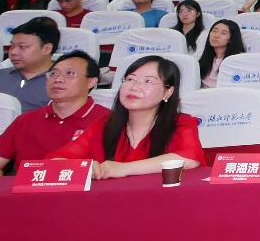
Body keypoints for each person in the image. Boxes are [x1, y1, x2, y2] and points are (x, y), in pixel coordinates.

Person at [47, 55, 203, 178]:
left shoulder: (181, 123)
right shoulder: (104, 125)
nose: (135, 87)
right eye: (130, 79)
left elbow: (190, 159)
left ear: (168, 92)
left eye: (148, 81)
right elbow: (56, 160)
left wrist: (124, 169)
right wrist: (84, 167)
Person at [0, 52, 109, 176]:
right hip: (24, 192)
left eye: (70, 73)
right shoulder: (26, 120)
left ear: (91, 82)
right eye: (53, 73)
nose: (58, 79)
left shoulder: (108, 120)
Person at [0, 18, 58, 112]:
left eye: (22, 47)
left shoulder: (62, 81)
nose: (13, 52)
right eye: (12, 46)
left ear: (47, 49)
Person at [198, 19, 245, 88]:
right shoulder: (203, 58)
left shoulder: (240, 60)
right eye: (214, 31)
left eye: (223, 33)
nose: (216, 36)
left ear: (231, 39)